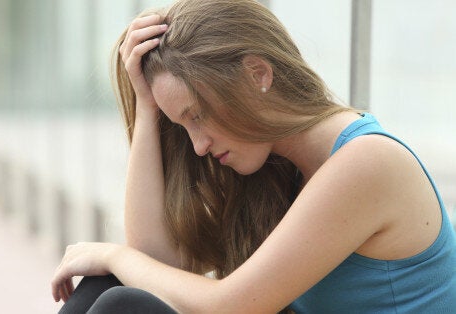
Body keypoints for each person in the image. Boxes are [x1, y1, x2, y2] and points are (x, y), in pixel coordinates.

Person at [51, 0, 456, 312]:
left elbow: (233, 307)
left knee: (123, 303)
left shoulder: (367, 162)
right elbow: (154, 260)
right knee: (110, 289)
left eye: (197, 116)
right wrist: (146, 107)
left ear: (257, 74)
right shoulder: (278, 168)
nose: (198, 146)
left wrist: (112, 253)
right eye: (182, 125)